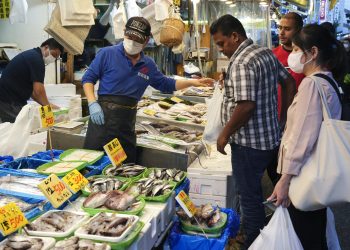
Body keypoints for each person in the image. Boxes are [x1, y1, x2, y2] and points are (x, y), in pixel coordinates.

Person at [210, 15, 296, 249]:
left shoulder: (241, 61)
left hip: (249, 145)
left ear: (235, 36)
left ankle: (254, 242)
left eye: (221, 43)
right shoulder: (264, 52)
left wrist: (224, 134)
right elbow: (289, 83)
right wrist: (282, 119)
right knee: (261, 193)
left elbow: (246, 105)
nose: (221, 49)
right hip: (270, 139)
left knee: (249, 199)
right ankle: (267, 234)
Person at [82, 17, 213, 163]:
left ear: (145, 42)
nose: (132, 42)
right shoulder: (107, 54)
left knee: (124, 165)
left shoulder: (148, 65)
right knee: (93, 162)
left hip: (126, 124)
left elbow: (166, 84)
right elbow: (88, 79)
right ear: (124, 33)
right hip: (102, 120)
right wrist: (92, 103)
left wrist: (193, 82)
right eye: (129, 36)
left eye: (137, 39)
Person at [268, 24, 347, 249]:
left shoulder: (312, 85)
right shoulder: (329, 82)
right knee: (314, 232)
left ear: (312, 53)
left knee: (306, 235)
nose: (292, 56)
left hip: (304, 176)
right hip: (319, 175)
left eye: (295, 50)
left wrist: (284, 180)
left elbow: (301, 137)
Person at [268, 12, 305, 185]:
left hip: (300, 123)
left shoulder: (307, 58)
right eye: (280, 28)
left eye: (287, 29)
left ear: (298, 31)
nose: (281, 32)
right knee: (274, 168)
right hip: (275, 121)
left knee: (294, 171)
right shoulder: (272, 55)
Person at [0, 38, 63, 123]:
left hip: (8, 100)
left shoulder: (32, 55)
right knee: (20, 128)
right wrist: (48, 107)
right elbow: (38, 91)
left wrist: (47, 106)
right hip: (9, 101)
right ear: (46, 47)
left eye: (56, 57)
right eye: (53, 55)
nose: (53, 59)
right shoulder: (36, 60)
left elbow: (34, 93)